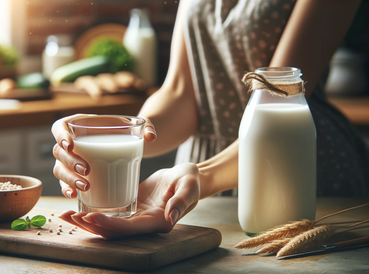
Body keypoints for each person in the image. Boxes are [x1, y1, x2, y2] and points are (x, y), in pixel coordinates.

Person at [51, 0, 368, 239]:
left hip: (287, 159)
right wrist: (123, 135)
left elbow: (276, 98)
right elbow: (180, 96)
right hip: (197, 173)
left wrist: (200, 176)